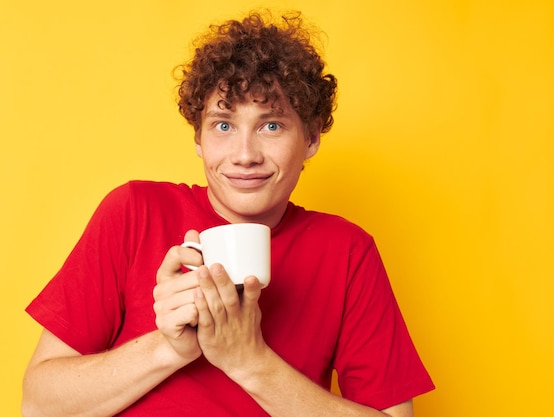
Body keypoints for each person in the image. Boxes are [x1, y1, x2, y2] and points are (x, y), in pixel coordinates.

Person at [22, 10, 434, 417]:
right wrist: (169, 347)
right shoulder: (134, 212)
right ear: (198, 138)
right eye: (223, 125)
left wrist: (249, 360)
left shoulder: (346, 251)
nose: (244, 155)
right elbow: (39, 406)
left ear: (310, 138)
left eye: (271, 126)